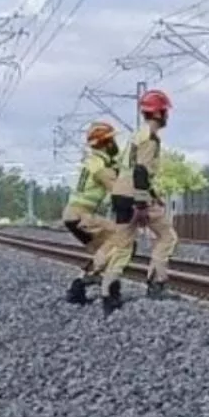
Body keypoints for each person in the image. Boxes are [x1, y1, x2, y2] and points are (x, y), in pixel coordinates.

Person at [108, 89, 180, 308]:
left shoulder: (136, 135)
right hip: (134, 196)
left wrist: (154, 195)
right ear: (158, 113)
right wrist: (141, 203)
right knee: (167, 236)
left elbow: (132, 170)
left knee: (122, 244)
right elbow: (140, 171)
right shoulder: (150, 138)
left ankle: (109, 289)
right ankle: (156, 284)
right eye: (165, 111)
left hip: (120, 193)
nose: (167, 115)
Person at [61, 121, 130, 306]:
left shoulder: (96, 162)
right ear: (106, 143)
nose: (115, 144)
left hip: (73, 215)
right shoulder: (100, 167)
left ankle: (79, 289)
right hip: (81, 215)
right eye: (112, 140)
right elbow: (120, 191)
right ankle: (106, 290)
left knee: (106, 249)